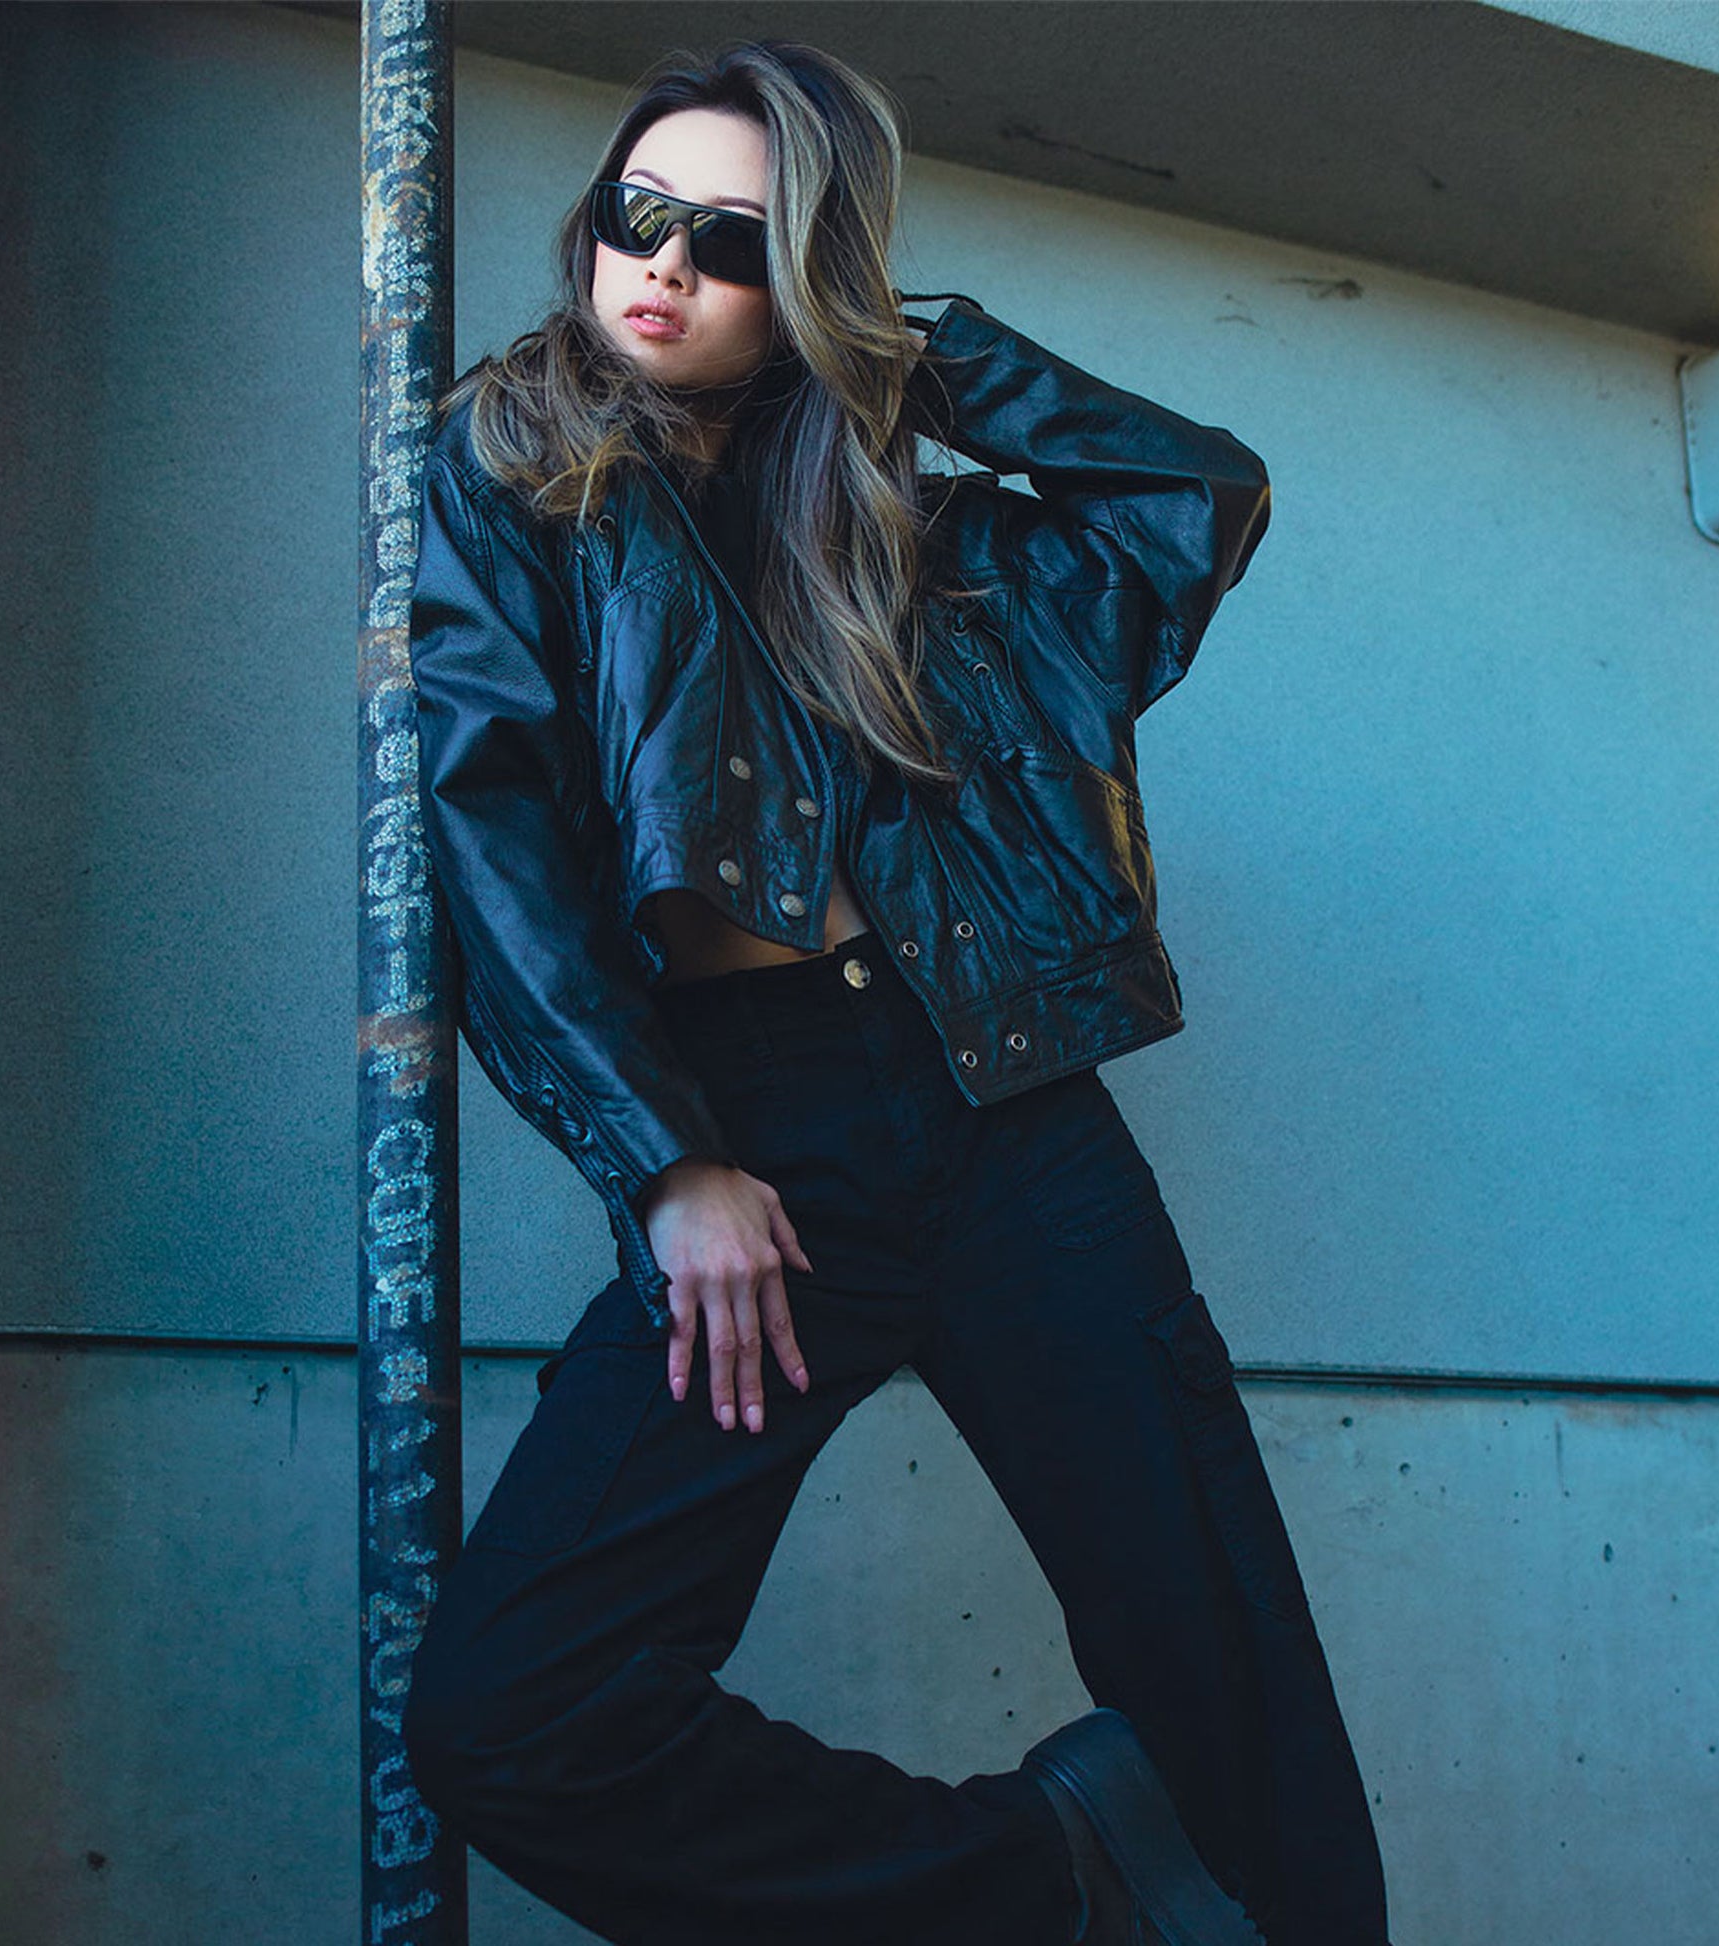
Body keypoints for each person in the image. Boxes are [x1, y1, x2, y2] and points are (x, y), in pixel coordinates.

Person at [402, 38, 1388, 1946]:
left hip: (1013, 1116)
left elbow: (1195, 495)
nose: (663, 264)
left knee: (1225, 1681)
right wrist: (663, 1162)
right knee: (520, 1710)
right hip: (754, 1142)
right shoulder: (518, 471)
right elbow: (491, 838)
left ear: (809, 283)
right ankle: (1049, 1878)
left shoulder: (902, 528)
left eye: (734, 241)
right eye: (637, 212)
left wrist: (907, 359)